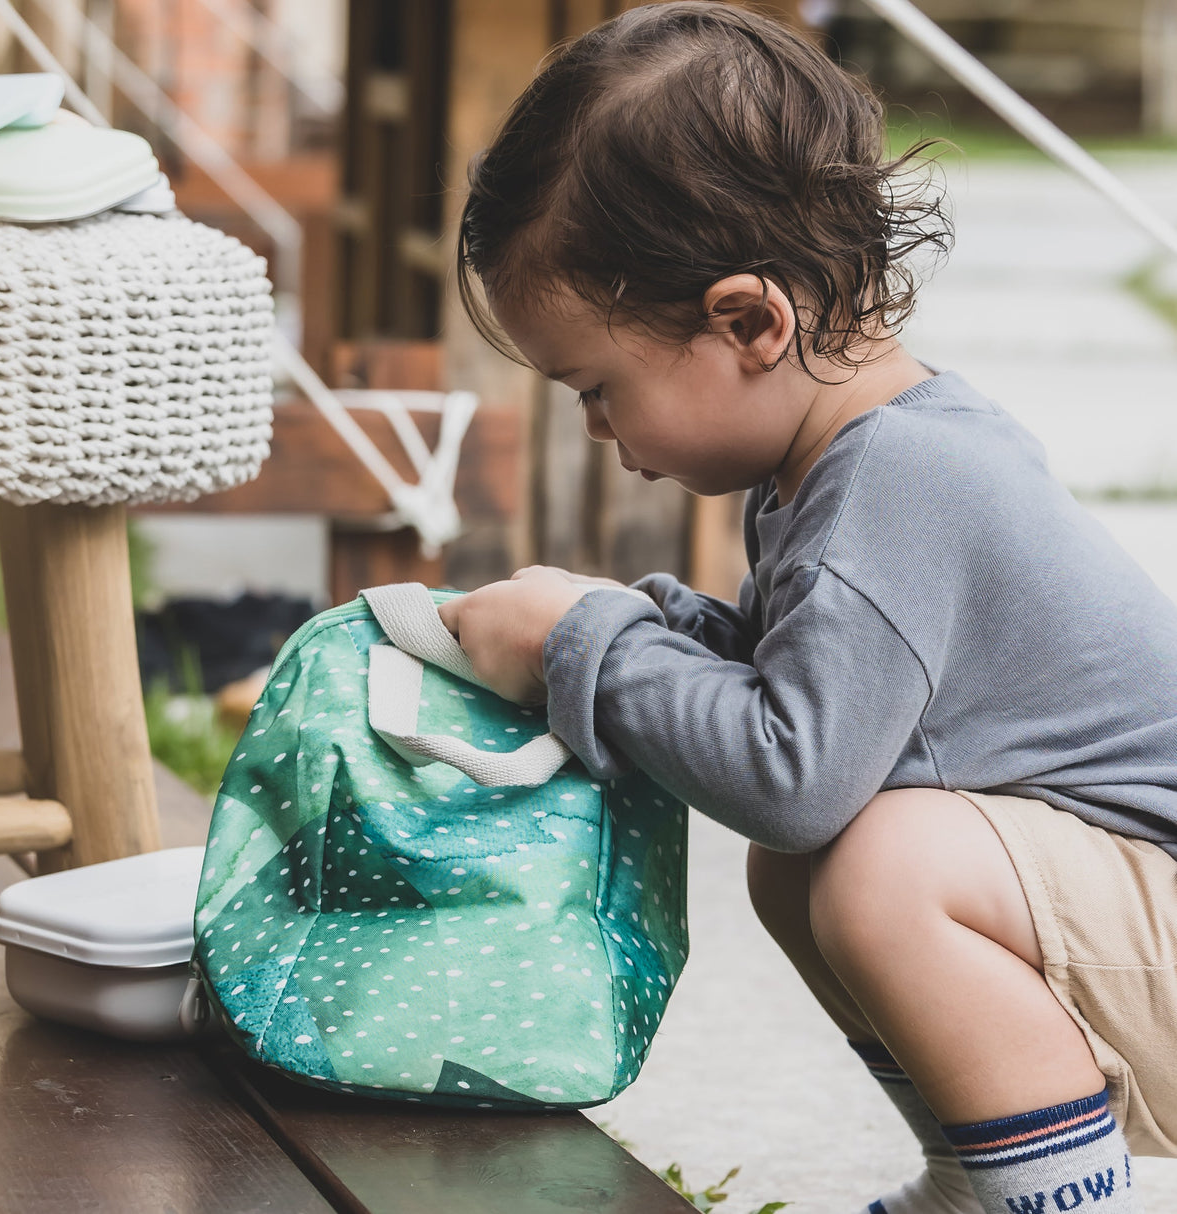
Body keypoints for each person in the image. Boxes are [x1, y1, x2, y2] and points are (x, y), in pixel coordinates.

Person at [437, 5, 1177, 1212]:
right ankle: (973, 1175)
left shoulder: (902, 478)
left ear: (747, 322)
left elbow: (792, 769)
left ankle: (1058, 1198)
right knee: (811, 864)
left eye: (596, 386)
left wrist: (584, 640)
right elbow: (814, 701)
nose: (599, 430)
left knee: (877, 856)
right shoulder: (854, 459)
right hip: (1130, 918)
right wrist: (642, 622)